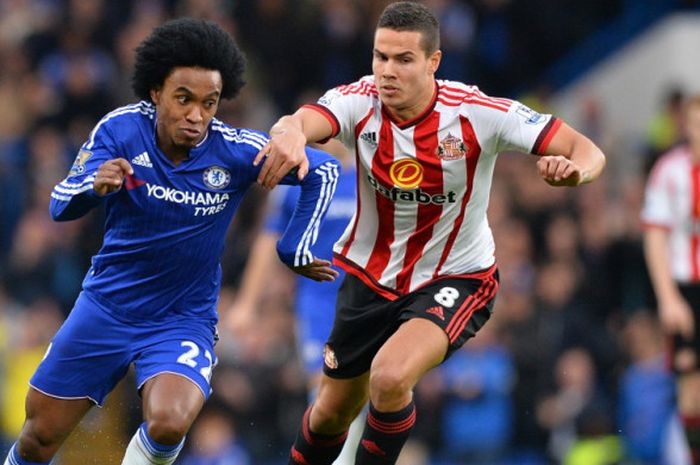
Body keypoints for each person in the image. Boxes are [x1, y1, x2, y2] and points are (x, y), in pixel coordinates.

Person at [255, 2, 606, 464]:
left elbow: (588, 151)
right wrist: (290, 134)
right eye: (380, 57)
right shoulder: (359, 101)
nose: (387, 72)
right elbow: (301, 120)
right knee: (329, 415)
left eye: (403, 60)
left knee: (390, 375)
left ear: (433, 63)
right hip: (368, 276)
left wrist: (574, 172)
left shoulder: (478, 113)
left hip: (454, 277)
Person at [3, 18, 340, 465]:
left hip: (181, 319)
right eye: (184, 99)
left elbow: (325, 171)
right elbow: (59, 202)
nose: (197, 115)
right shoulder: (120, 130)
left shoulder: (236, 149)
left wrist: (293, 247)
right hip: (106, 307)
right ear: (156, 91)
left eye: (209, 102)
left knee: (169, 421)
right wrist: (93, 186)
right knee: (38, 438)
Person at [642, 94, 700, 465]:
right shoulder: (669, 169)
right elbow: (654, 235)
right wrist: (668, 298)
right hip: (686, 291)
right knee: (691, 390)